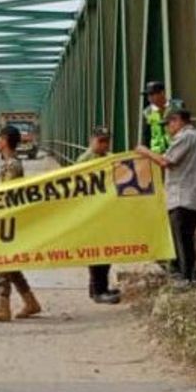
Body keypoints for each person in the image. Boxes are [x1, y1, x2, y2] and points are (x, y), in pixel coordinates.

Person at [136, 109, 196, 289]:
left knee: (182, 239)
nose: (167, 129)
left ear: (177, 121)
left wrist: (145, 152)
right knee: (183, 237)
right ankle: (184, 275)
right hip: (190, 195)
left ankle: (187, 278)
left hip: (182, 195)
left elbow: (166, 161)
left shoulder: (186, 137)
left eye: (168, 124)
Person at [0, 126, 42, 322]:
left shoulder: (13, 166)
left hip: (7, 221)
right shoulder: (9, 164)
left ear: (5, 140)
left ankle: (3, 306)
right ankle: (30, 302)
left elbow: (5, 193)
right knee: (10, 263)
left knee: (1, 260)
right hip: (6, 219)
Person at [76, 126, 120, 304]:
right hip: (92, 213)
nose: (104, 144)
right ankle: (99, 291)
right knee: (98, 252)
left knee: (106, 251)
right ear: (91, 140)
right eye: (100, 141)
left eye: (106, 141)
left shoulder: (109, 158)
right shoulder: (85, 160)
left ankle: (97, 288)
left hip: (105, 212)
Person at [141, 81, 185, 154]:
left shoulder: (177, 106)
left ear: (162, 93)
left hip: (176, 149)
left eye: (152, 94)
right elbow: (146, 135)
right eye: (148, 95)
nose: (149, 98)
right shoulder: (147, 112)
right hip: (157, 152)